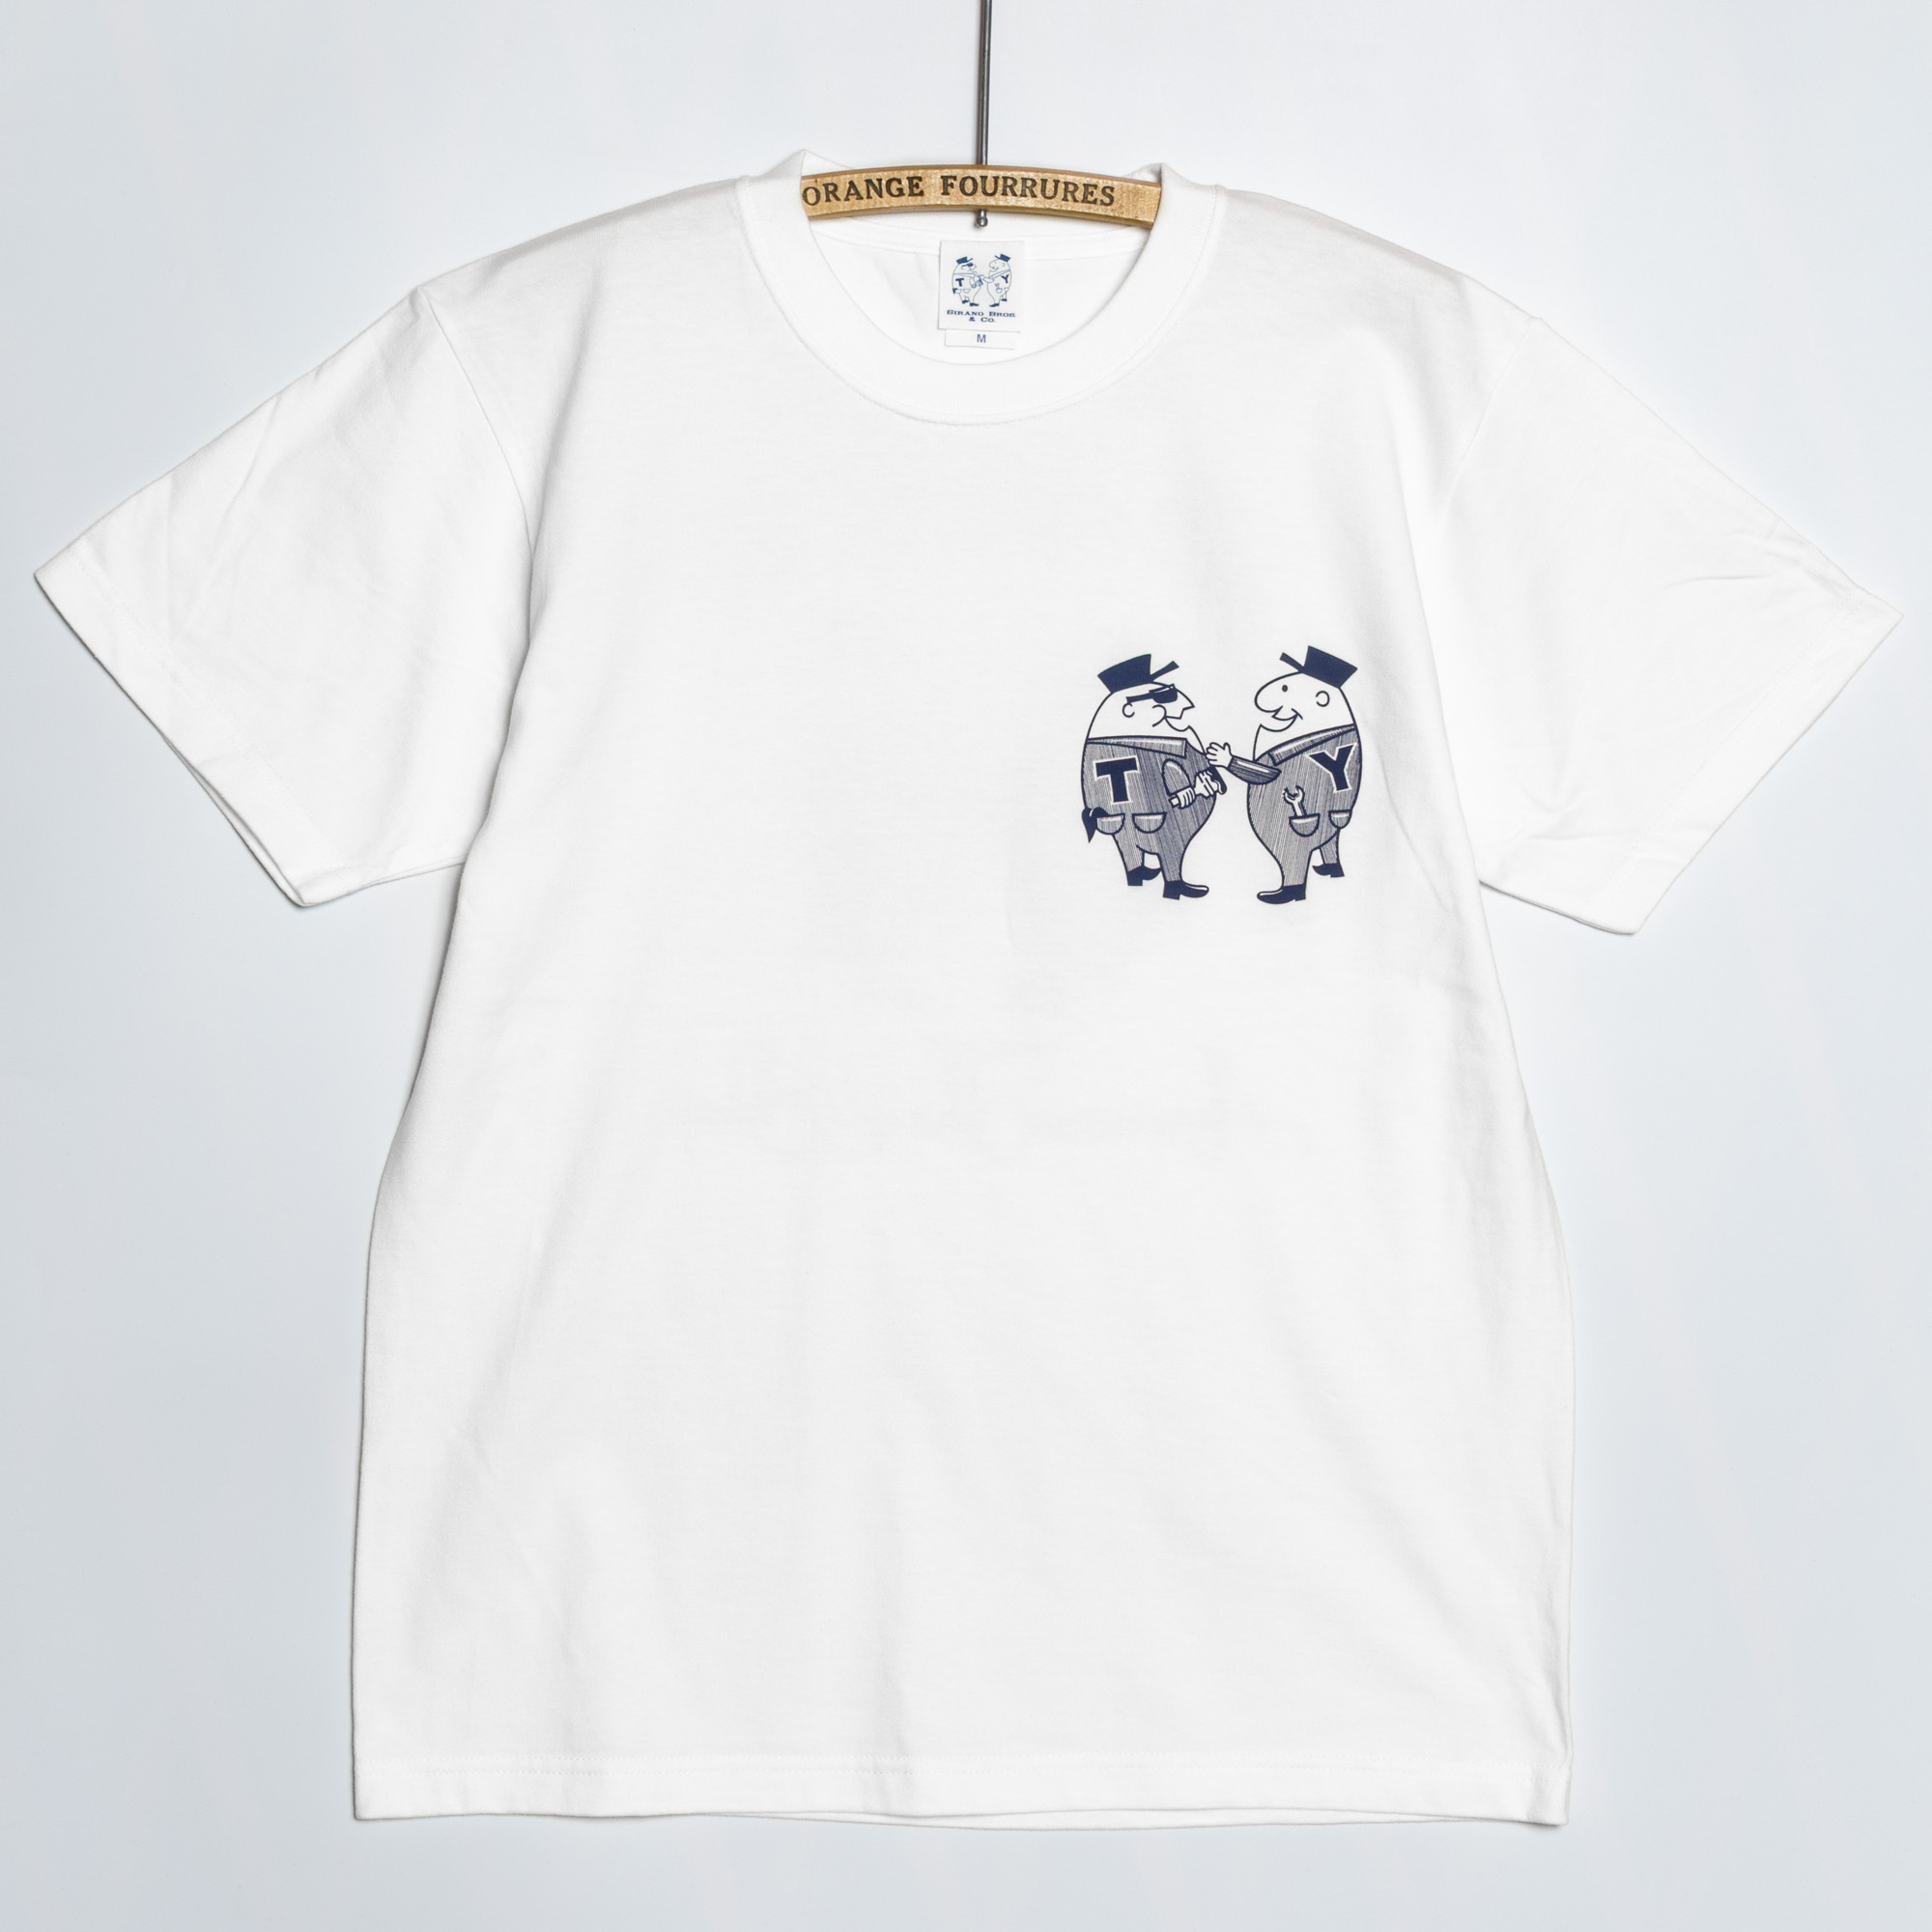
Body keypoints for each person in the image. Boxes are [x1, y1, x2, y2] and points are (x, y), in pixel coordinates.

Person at [1078, 654, 1235, 899]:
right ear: (1129, 709)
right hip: (1156, 815)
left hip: (1122, 818)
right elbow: (1174, 774)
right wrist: (1197, 787)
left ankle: (1135, 872)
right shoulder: (1160, 744)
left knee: (1127, 832)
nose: (1183, 704)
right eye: (1163, 697)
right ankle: (1173, 883)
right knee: (1169, 836)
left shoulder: (1096, 746)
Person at [1245, 648, 1364, 905]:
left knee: (1292, 841)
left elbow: (1266, 776)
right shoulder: (1346, 735)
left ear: (1321, 698)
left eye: (1286, 689)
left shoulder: (1293, 748)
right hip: (1334, 808)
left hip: (1300, 814)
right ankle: (1332, 863)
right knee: (1327, 818)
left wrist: (1229, 762)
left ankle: (1293, 887)